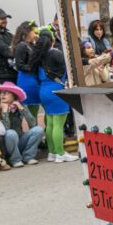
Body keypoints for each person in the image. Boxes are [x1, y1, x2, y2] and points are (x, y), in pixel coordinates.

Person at [37, 29, 79, 163]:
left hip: (43, 89)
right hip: (56, 89)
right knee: (58, 124)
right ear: (53, 40)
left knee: (49, 123)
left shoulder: (39, 56)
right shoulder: (56, 53)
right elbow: (70, 65)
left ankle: (52, 152)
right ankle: (61, 153)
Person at [0, 82, 44, 167]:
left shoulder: (19, 106)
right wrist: (5, 112)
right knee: (10, 132)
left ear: (14, 96)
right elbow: (5, 129)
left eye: (7, 93)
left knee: (38, 130)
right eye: (1, 92)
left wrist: (21, 109)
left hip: (20, 141)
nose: (3, 95)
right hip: (7, 144)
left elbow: (33, 124)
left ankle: (28, 157)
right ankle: (15, 159)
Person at [12, 21, 42, 118]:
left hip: (34, 79)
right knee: (31, 110)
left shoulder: (32, 45)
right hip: (27, 80)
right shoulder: (22, 46)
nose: (37, 34)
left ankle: (35, 128)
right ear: (27, 31)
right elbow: (19, 65)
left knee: (35, 108)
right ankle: (34, 129)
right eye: (35, 32)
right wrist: (32, 68)